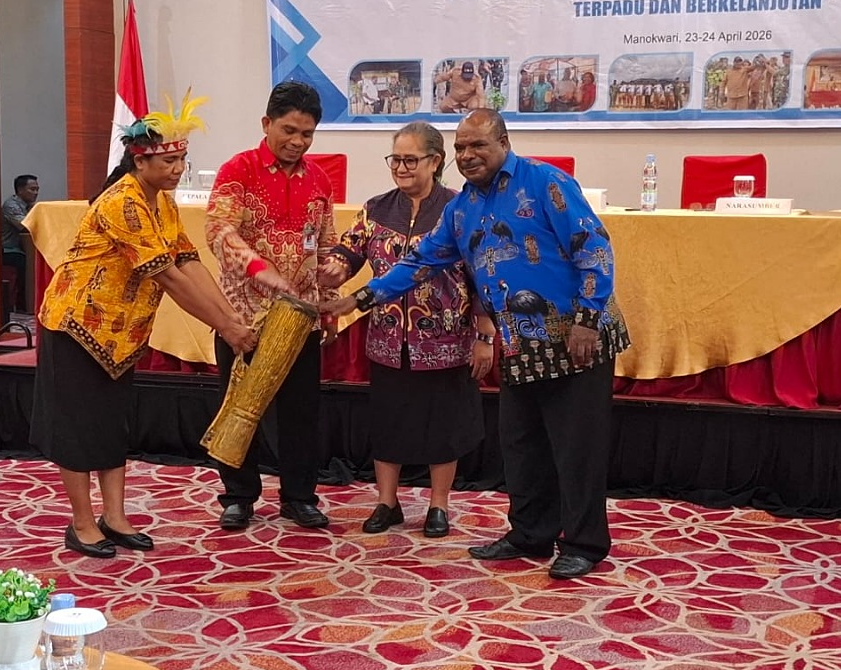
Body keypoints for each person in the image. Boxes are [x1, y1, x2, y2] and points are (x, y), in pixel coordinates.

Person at [322, 109, 630, 580]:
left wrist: (587, 320)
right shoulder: (461, 209)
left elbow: (594, 247)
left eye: (478, 145)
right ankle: (530, 534)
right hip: (520, 343)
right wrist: (359, 299)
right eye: (461, 147)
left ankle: (584, 543)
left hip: (575, 337)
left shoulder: (545, 182)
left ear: (503, 142)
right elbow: (420, 262)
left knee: (576, 447)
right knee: (522, 445)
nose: (467, 155)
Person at [32, 93, 256, 558]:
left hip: (119, 336)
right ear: (140, 161)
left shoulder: (163, 204)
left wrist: (230, 316)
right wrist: (227, 328)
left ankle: (114, 517)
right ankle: (82, 522)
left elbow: (190, 262)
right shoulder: (124, 203)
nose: (178, 169)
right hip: (76, 328)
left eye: (182, 160)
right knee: (78, 430)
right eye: (169, 161)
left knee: (112, 427)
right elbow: (169, 278)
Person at [317, 122, 495, 537]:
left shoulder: (459, 209)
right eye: (395, 159)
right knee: (388, 423)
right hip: (387, 338)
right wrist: (334, 269)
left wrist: (485, 336)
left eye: (410, 160)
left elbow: (482, 275)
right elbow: (349, 250)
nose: (400, 167)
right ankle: (386, 502)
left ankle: (438, 505)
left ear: (435, 161)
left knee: (443, 425)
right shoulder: (377, 208)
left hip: (446, 339)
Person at [205, 81, 340, 532]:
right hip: (243, 314)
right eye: (289, 130)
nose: (298, 142)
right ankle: (238, 495)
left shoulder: (319, 180)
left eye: (307, 134)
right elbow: (219, 232)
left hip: (300, 320)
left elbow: (326, 246)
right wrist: (260, 270)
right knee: (240, 404)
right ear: (266, 124)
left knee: (301, 411)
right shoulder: (238, 170)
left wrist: (329, 306)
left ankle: (299, 496)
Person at [0, 174, 39, 314]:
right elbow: (25, 226)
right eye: (32, 189)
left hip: (21, 248)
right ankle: (23, 306)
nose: (36, 193)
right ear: (20, 190)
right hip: (8, 249)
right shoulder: (11, 205)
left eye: (37, 189)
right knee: (25, 264)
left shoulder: (28, 205)